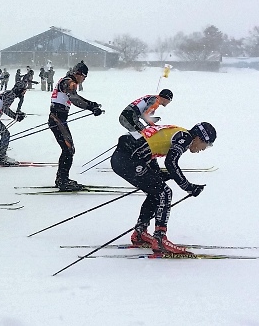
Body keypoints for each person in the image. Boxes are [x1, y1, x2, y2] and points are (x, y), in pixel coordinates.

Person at [110, 122, 216, 255]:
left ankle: (140, 232)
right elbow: (171, 162)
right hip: (128, 158)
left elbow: (150, 148)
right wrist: (188, 187)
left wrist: (158, 174)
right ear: (199, 138)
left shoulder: (177, 131)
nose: (204, 149)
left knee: (156, 192)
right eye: (207, 144)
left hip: (124, 157)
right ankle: (160, 239)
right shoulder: (186, 137)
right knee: (165, 193)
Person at [48, 61, 103, 191]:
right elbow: (74, 99)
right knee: (68, 149)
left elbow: (76, 97)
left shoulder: (68, 81)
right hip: (57, 119)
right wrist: (90, 107)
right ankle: (62, 180)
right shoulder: (69, 82)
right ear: (79, 74)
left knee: (69, 150)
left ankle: (62, 178)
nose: (84, 79)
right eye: (84, 77)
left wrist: (92, 104)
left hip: (59, 119)